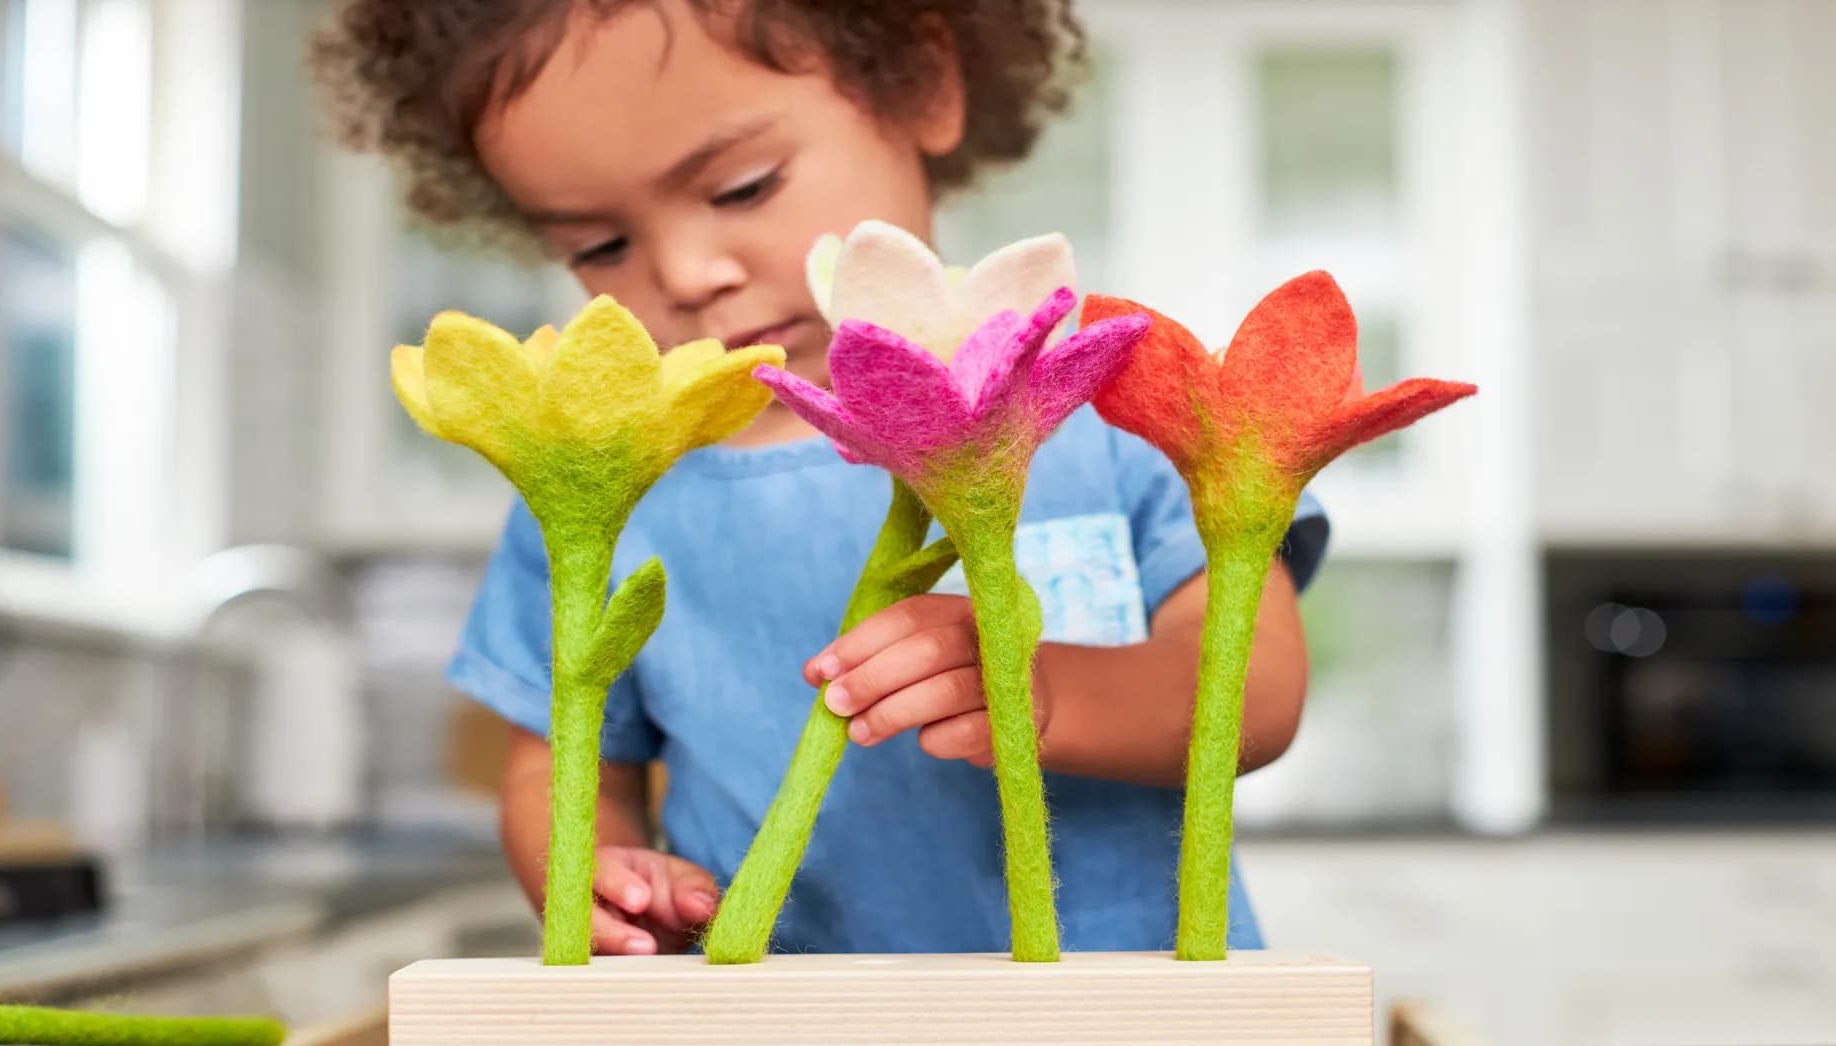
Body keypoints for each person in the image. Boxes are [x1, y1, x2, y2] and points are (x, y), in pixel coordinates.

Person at [313, 0, 1329, 955]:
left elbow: (1257, 690)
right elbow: (559, 762)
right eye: (599, 244)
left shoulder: (1105, 403)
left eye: (741, 187)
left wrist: (1045, 690)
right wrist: (589, 873)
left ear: (922, 83)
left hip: (1135, 1043)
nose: (684, 271)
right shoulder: (597, 484)